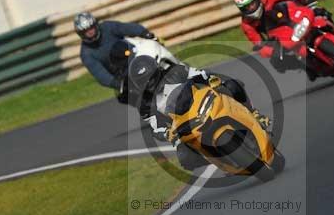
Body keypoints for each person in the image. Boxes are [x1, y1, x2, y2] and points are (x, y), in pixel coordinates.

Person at [110, 40, 270, 171]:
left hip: (202, 102)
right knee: (186, 159)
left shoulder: (176, 72)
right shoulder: (145, 104)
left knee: (233, 85)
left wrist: (211, 79)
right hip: (182, 126)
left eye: (151, 78)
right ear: (139, 85)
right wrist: (168, 133)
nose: (151, 84)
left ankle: (254, 114)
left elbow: (198, 73)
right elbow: (155, 125)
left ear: (157, 70)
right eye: (145, 82)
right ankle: (218, 158)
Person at [233, 0, 332, 79]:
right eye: (247, 7)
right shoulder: (246, 24)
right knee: (277, 62)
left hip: (293, 19)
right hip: (279, 37)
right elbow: (259, 44)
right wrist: (272, 51)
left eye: (252, 3)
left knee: (321, 13)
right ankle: (306, 66)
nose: (251, 8)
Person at [74, 12, 157, 103]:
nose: (90, 32)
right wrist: (118, 83)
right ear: (81, 34)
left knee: (155, 54)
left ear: (95, 25)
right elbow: (100, 74)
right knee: (128, 98)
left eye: (91, 28)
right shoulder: (86, 54)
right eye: (85, 31)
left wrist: (144, 33)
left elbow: (126, 28)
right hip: (122, 75)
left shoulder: (107, 27)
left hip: (135, 55)